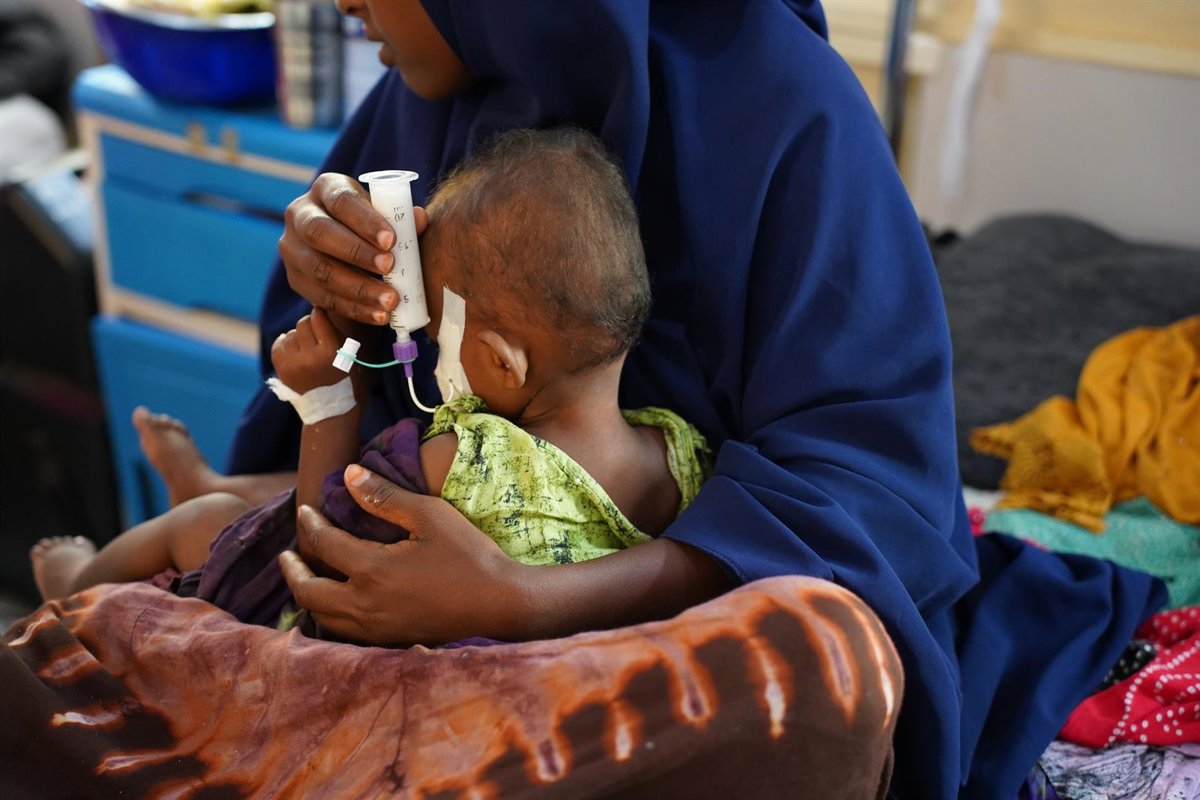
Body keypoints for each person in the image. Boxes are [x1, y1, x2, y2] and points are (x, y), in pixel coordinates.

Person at [116, 2, 1165, 797]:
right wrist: (331, 277)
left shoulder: (785, 111)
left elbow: (871, 493)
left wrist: (526, 602)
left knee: (819, 658)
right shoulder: (432, 86)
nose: (339, 5)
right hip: (441, 556)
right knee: (193, 555)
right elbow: (388, 397)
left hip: (673, 593)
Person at [30, 127, 712, 617]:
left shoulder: (464, 457)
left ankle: (79, 581)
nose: (425, 349)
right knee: (239, 502)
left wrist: (328, 403)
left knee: (205, 524)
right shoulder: (679, 452)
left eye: (437, 336)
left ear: (503, 362)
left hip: (338, 625)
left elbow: (319, 547)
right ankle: (209, 483)